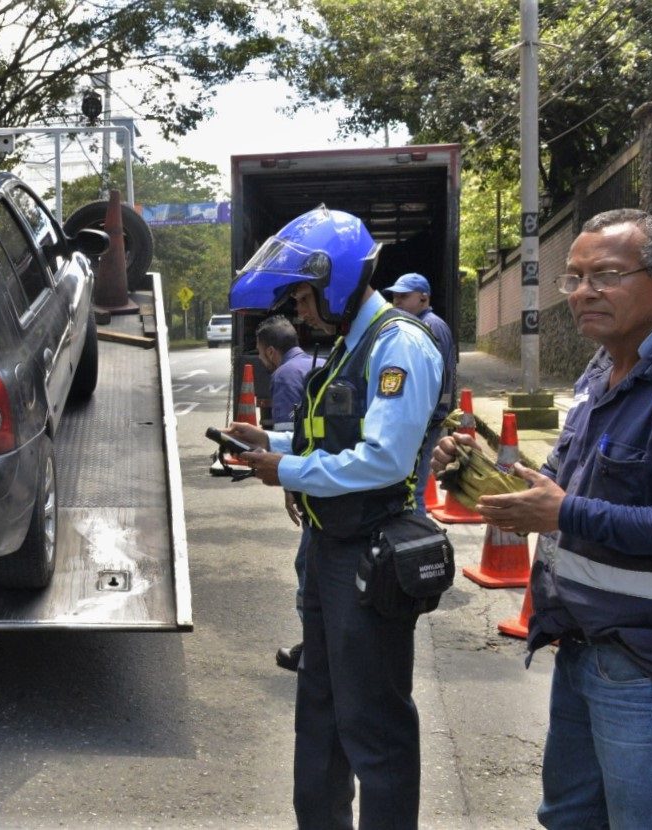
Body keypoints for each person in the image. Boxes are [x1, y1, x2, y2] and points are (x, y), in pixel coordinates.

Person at [432, 209, 652, 829]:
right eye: (575, 277)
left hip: (647, 664)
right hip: (579, 645)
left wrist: (567, 512)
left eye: (608, 275)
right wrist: (472, 470)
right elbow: (560, 486)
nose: (586, 292)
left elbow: (571, 507)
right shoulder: (598, 369)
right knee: (568, 817)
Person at [225, 205, 443, 828]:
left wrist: (284, 471)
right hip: (328, 549)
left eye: (302, 294)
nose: (298, 308)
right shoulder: (350, 344)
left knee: (373, 722)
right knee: (320, 710)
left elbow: (382, 459)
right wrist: (270, 442)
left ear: (337, 281)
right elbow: (334, 439)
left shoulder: (398, 344)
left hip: (371, 552)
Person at [254, 314, 325, 672]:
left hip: (310, 482)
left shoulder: (283, 376)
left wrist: (288, 488)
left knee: (307, 567)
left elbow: (287, 447)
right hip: (331, 481)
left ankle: (314, 651)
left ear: (269, 352)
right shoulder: (320, 364)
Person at [384, 272, 456, 513]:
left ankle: (419, 544)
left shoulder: (430, 326)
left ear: (423, 299)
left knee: (413, 489)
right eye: (395, 297)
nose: (397, 302)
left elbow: (431, 376)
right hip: (425, 417)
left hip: (427, 418)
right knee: (410, 486)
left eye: (404, 296)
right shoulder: (419, 325)